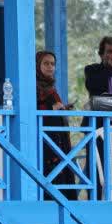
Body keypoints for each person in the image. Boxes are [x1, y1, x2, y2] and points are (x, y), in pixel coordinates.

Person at [36, 51, 74, 198]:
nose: (50, 67)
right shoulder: (33, 86)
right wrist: (51, 108)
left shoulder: (50, 87)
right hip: (46, 142)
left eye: (52, 64)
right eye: (46, 63)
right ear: (37, 66)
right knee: (51, 177)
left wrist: (62, 108)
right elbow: (31, 109)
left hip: (58, 139)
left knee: (62, 174)